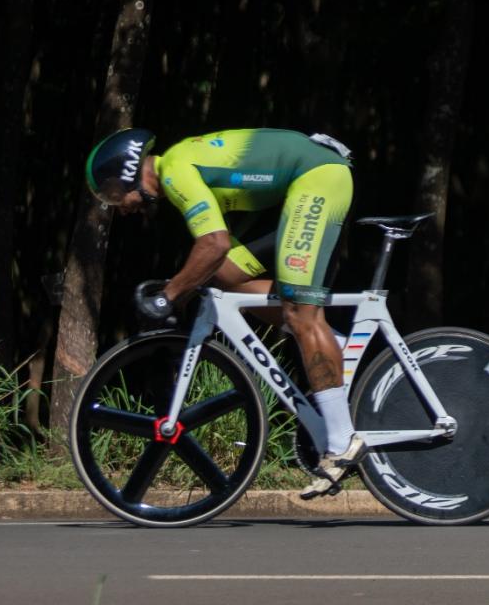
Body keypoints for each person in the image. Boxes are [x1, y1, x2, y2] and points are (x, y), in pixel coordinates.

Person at [85, 126, 364, 497]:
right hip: (306, 180)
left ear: (129, 169)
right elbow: (216, 258)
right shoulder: (181, 164)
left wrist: (168, 297)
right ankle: (330, 343)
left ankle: (342, 442)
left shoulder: (176, 170)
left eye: (114, 194)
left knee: (301, 313)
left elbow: (213, 243)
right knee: (221, 275)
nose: (119, 206)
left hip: (318, 178)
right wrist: (179, 289)